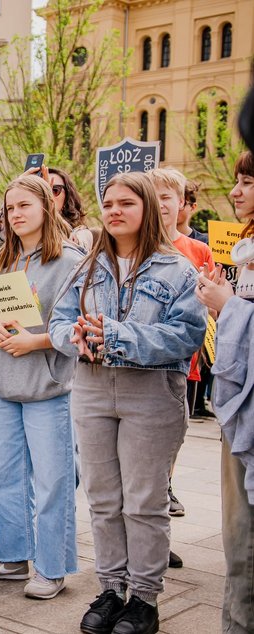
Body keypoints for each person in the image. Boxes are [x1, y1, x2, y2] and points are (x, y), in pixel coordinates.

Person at [49, 172, 206, 634]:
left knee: (143, 502)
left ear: (149, 210)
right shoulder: (88, 266)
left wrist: (117, 335)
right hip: (93, 388)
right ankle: (111, 588)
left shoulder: (177, 269)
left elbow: (186, 336)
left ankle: (144, 598)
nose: (115, 210)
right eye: (109, 202)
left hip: (151, 392)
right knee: (102, 498)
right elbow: (60, 321)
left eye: (127, 203)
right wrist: (72, 338)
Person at [0, 175, 82, 599]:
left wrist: (37, 340)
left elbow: (78, 324)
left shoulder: (70, 260)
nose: (15, 215)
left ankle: (52, 567)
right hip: (1, 383)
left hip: (48, 385)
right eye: (10, 208)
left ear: (46, 208)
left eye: (24, 207)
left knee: (53, 480)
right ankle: (13, 557)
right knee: (0, 476)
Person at [195, 149, 254, 634]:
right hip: (240, 406)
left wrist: (230, 306)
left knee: (245, 532)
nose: (235, 192)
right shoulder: (246, 249)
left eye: (247, 183)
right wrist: (223, 306)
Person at [148, 167, 215, 529]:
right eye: (152, 196)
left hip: (185, 367)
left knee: (172, 445)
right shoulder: (135, 245)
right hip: (144, 367)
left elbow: (211, 308)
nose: (159, 205)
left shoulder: (198, 250)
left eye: (166, 197)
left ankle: (161, 526)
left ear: (181, 204)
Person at [48, 167, 93, 251]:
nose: (48, 195)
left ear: (67, 197)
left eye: (54, 190)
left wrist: (49, 211)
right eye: (42, 190)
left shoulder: (81, 233)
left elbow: (75, 251)